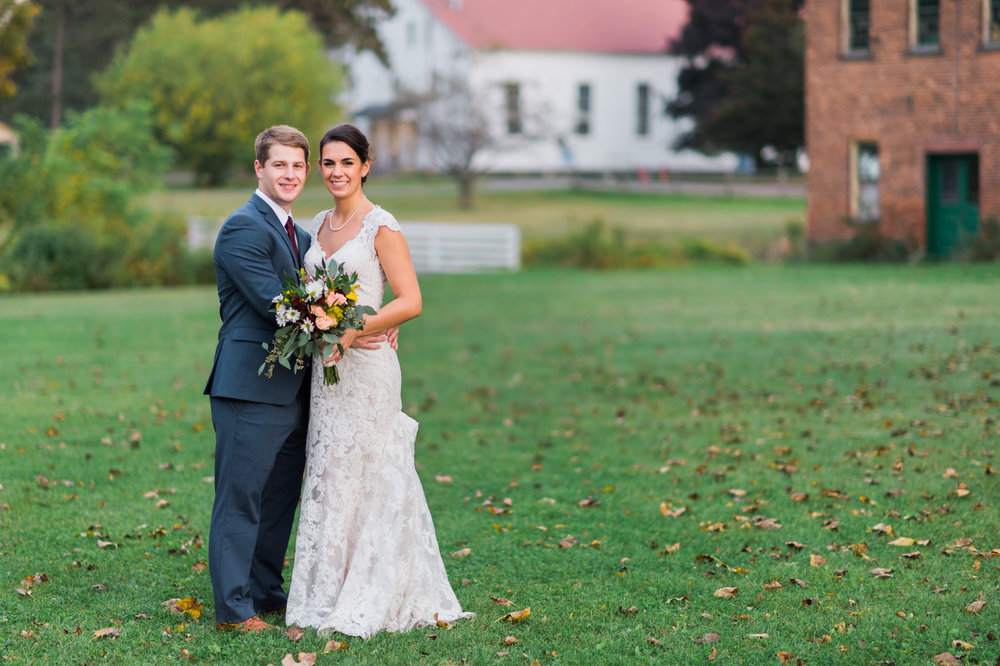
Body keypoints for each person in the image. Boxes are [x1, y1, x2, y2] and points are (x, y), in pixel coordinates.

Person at [285, 124, 473, 637]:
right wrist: (318, 328)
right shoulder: (317, 226)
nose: (336, 172)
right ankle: (327, 590)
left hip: (367, 369)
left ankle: (376, 590)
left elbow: (410, 300)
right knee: (332, 473)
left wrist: (356, 329)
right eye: (327, 163)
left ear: (365, 166)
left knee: (371, 472)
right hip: (326, 376)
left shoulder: (381, 226)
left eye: (346, 162)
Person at [204, 125, 391, 632]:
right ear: (259, 169)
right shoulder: (244, 228)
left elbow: (333, 290)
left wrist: (379, 322)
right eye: (279, 165)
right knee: (241, 495)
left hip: (296, 389)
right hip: (249, 385)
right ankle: (233, 608)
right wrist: (358, 325)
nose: (290, 174)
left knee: (279, 497)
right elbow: (281, 305)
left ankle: (264, 589)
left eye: (297, 166)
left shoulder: (301, 234)